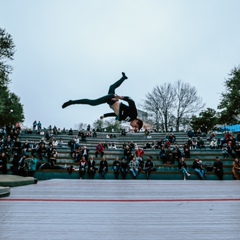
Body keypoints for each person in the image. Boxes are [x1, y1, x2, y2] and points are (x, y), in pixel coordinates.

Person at [62, 72, 143, 132]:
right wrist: (121, 97)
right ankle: (72, 102)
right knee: (93, 102)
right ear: (137, 122)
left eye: (134, 128)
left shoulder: (128, 119)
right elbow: (131, 101)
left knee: (111, 87)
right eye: (135, 126)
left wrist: (105, 115)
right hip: (112, 99)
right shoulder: (134, 114)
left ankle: (123, 78)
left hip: (111, 102)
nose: (132, 127)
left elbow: (116, 113)